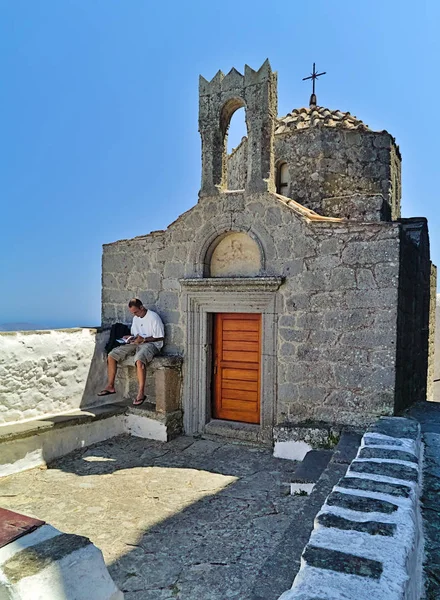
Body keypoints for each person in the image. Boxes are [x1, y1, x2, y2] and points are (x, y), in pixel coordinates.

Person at [98, 298, 165, 406]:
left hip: (152, 344)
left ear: (141, 307)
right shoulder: (136, 319)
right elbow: (135, 335)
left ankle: (141, 393)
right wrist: (129, 338)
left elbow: (160, 337)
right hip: (137, 342)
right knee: (112, 355)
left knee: (139, 359)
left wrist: (144, 340)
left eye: (136, 312)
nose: (135, 314)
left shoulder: (153, 317)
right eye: (132, 313)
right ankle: (110, 386)